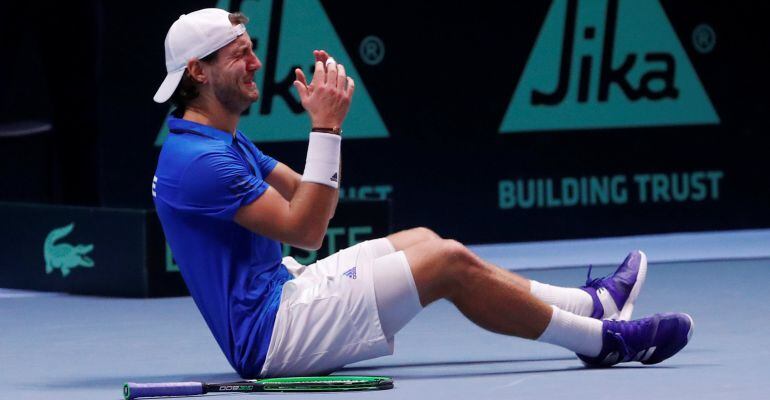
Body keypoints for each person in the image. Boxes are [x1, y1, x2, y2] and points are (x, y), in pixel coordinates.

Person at [151, 8, 693, 379]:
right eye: (239, 55)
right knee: (447, 262)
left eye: (252, 50)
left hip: (285, 292)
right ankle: (604, 341)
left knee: (424, 239)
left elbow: (306, 194)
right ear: (198, 70)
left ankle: (592, 303)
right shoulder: (200, 162)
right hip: (272, 336)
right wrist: (326, 130)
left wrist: (326, 132)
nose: (256, 64)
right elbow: (309, 228)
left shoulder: (212, 138)